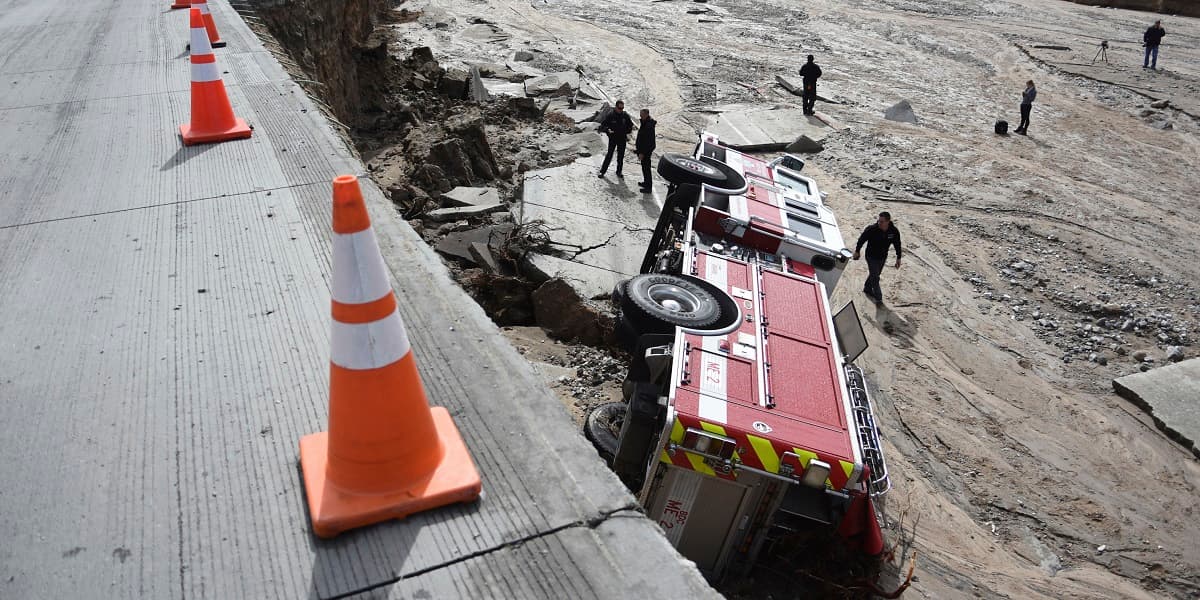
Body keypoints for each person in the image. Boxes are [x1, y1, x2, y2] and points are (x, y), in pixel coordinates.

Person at [852, 212, 902, 305]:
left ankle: (867, 288)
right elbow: (862, 239)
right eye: (879, 221)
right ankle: (879, 298)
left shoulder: (894, 231)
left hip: (882, 256)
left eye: (882, 221)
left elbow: (897, 244)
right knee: (875, 277)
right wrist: (857, 251)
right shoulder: (872, 229)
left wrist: (898, 257)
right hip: (871, 256)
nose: (879, 223)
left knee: (875, 273)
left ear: (888, 221)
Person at [598, 100, 634, 178]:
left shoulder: (625, 115)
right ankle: (602, 171)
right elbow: (603, 125)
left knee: (620, 157)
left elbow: (630, 126)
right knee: (609, 155)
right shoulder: (610, 114)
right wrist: (608, 130)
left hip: (622, 138)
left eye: (622, 108)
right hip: (613, 138)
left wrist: (626, 131)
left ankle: (619, 172)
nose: (621, 110)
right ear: (616, 107)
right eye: (619, 108)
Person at [635, 108, 657, 193]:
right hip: (644, 150)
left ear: (646, 114)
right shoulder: (645, 123)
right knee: (644, 168)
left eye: (642, 115)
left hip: (646, 151)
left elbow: (647, 141)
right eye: (640, 114)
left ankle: (648, 187)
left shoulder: (648, 125)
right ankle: (646, 183)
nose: (640, 116)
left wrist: (642, 153)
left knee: (646, 168)